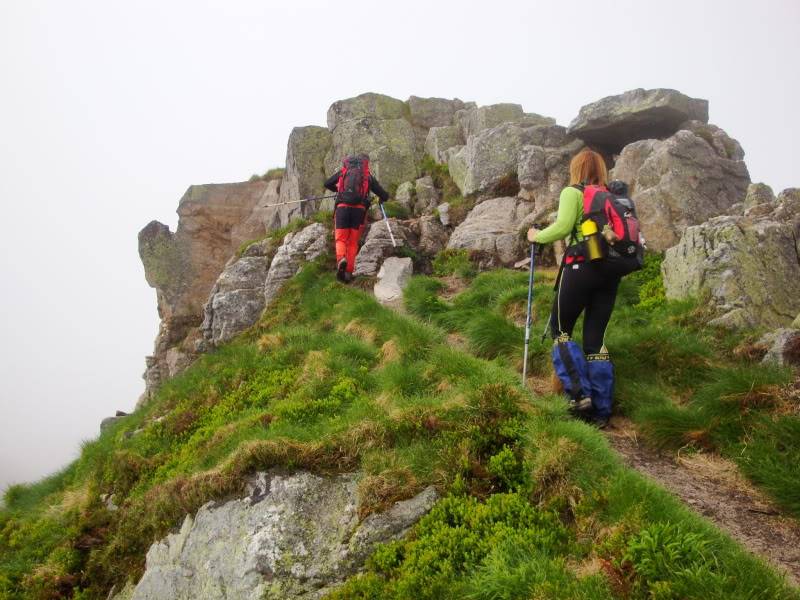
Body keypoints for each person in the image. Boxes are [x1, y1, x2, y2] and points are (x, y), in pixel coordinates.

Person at [526, 149, 620, 428]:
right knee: (595, 339)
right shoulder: (612, 196)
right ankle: (602, 411)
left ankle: (580, 397)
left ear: (576, 168)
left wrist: (536, 236)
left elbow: (564, 226)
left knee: (561, 330)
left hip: (581, 266)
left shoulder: (573, 192)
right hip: (611, 273)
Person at [324, 154, 389, 283]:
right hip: (359, 210)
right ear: (366, 163)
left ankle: (341, 259)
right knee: (353, 242)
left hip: (342, 208)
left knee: (341, 238)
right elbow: (384, 195)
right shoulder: (367, 176)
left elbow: (327, 183)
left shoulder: (344, 172)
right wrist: (381, 198)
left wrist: (337, 189)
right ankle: (348, 272)